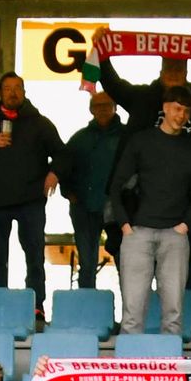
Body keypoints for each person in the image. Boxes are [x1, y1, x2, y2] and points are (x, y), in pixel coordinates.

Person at [105, 96, 191, 337]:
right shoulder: (141, 141)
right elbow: (116, 185)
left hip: (175, 235)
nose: (181, 115)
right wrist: (124, 224)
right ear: (164, 108)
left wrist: (185, 226)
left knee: (174, 314)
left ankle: (170, 374)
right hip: (138, 233)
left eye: (185, 111)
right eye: (177, 109)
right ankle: (129, 374)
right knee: (132, 314)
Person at [0, 72, 65, 304]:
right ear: (0, 94)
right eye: (8, 88)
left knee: (34, 256)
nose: (13, 92)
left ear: (24, 92)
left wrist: (54, 173)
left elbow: (64, 153)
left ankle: (36, 306)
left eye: (17, 88)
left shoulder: (40, 123)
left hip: (30, 201)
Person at [61, 90, 124, 292]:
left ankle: (131, 316)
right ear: (91, 110)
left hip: (118, 210)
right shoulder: (79, 139)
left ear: (115, 107)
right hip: (84, 208)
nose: (103, 109)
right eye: (98, 106)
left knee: (126, 264)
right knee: (87, 265)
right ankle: (88, 312)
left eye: (107, 105)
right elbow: (62, 166)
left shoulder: (127, 137)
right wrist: (68, 193)